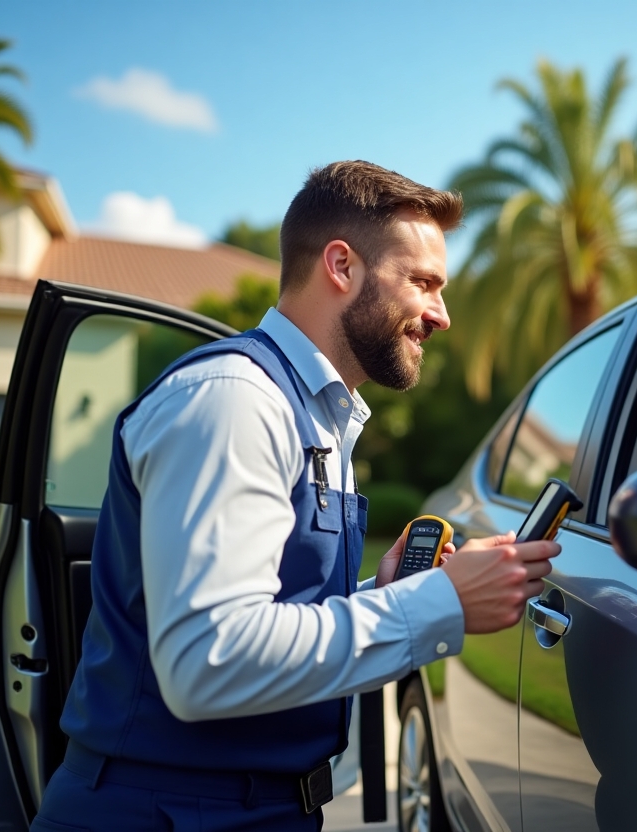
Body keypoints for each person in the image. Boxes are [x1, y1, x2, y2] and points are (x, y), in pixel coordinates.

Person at [32, 161, 560, 831]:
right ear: (341, 266)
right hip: (167, 813)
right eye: (423, 282)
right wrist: (439, 604)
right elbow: (212, 660)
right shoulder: (236, 403)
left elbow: (273, 616)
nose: (442, 315)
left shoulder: (315, 414)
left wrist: (384, 593)